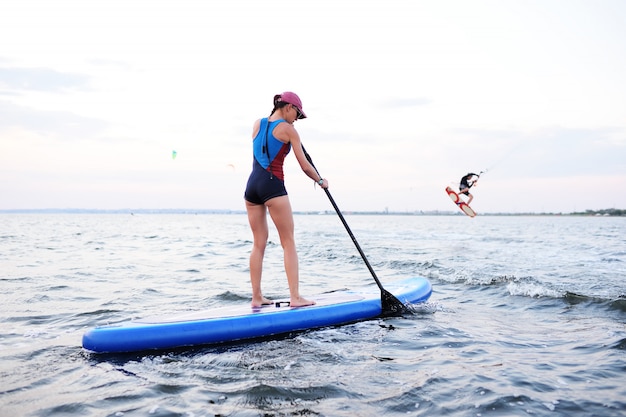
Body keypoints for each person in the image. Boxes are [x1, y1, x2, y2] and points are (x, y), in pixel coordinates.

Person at [244, 92, 328, 308]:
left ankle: (256, 297)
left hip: (252, 187)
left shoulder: (257, 124)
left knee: (258, 243)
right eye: (297, 114)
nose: (296, 120)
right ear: (289, 107)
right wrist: (321, 181)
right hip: (272, 185)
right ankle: (295, 297)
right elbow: (305, 166)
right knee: (288, 242)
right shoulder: (289, 130)